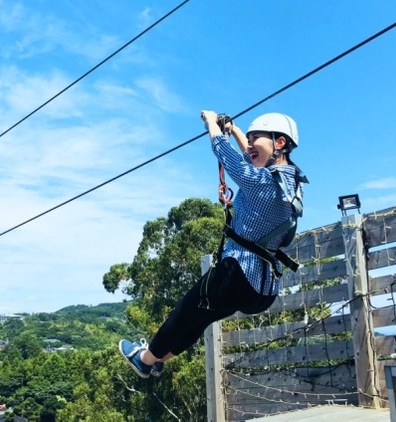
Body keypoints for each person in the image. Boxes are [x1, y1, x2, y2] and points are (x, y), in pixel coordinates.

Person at [119, 110, 306, 378]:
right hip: (264, 288)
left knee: (186, 311)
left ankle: (145, 359)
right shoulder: (293, 182)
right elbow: (252, 157)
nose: (250, 144)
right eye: (249, 138)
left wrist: (212, 125)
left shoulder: (259, 180)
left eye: (257, 138)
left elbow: (229, 157)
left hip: (238, 272)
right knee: (201, 317)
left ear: (279, 143)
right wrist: (236, 129)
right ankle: (161, 359)